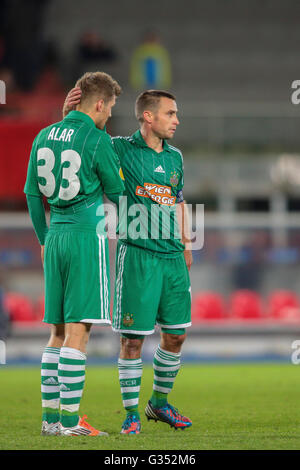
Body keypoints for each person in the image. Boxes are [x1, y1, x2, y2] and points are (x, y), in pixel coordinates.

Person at [64, 87, 193, 435]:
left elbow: (179, 200)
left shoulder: (175, 157)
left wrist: (186, 243)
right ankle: (132, 413)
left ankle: (159, 404)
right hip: (137, 257)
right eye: (170, 114)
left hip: (172, 259)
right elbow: (82, 138)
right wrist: (68, 113)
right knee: (133, 340)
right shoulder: (119, 148)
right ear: (148, 117)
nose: (177, 120)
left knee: (177, 336)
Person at [24, 71, 125, 437]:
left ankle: (50, 420)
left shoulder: (43, 134)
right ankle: (70, 422)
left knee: (56, 332)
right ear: (98, 103)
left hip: (55, 237)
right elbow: (117, 192)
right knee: (78, 331)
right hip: (85, 237)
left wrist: (42, 238)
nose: (110, 115)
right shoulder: (97, 139)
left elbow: (33, 195)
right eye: (109, 107)